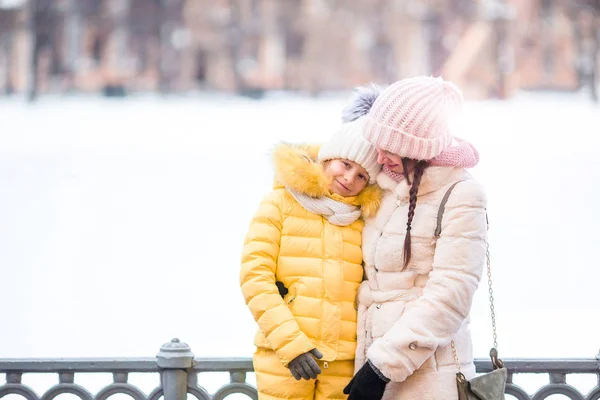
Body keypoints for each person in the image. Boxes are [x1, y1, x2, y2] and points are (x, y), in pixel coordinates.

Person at [342, 76, 486, 400]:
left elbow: (450, 296)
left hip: (429, 381)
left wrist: (380, 368)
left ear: (416, 147)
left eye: (389, 146)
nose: (378, 156)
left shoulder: (462, 195)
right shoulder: (381, 187)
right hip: (373, 368)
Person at [240, 117, 382, 399]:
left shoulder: (362, 221)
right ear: (328, 159)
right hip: (286, 356)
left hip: (343, 361)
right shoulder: (279, 203)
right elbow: (255, 277)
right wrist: (291, 345)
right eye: (346, 164)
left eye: (362, 176)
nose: (349, 178)